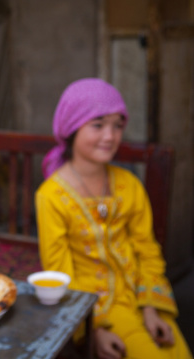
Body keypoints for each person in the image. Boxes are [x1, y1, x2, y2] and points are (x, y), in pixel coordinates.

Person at [35, 78, 193, 359]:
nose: (110, 136)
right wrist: (94, 330)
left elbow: (147, 250)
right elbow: (61, 275)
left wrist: (151, 308)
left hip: (141, 297)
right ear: (72, 127)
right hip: (97, 309)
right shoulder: (51, 197)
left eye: (117, 125)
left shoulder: (129, 185)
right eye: (98, 125)